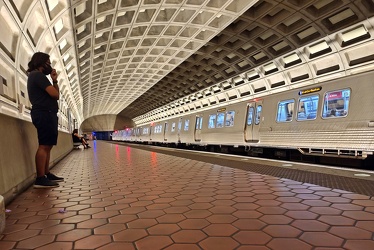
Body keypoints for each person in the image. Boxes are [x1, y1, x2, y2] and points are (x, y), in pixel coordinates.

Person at [27, 52, 64, 188]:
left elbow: (56, 96)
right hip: (44, 113)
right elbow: (55, 94)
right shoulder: (38, 75)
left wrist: (54, 80)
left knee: (47, 145)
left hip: (46, 113)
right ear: (41, 62)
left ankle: (46, 173)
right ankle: (40, 178)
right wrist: (54, 81)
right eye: (48, 62)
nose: (49, 65)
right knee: (44, 145)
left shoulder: (36, 76)